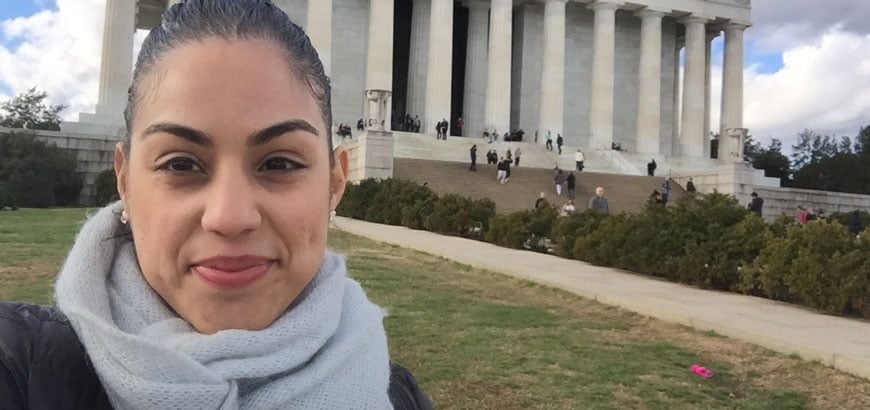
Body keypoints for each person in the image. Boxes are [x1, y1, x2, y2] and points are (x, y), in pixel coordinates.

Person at [0, 2, 432, 409]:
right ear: (126, 180)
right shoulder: (20, 368)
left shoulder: (397, 397)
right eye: (181, 164)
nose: (229, 216)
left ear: (335, 183)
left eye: (279, 163)